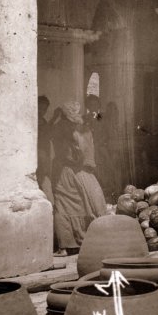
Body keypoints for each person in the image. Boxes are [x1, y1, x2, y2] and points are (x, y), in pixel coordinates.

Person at [51, 101, 106, 256]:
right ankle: (83, 240)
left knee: (62, 204)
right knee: (83, 204)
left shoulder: (62, 128)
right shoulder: (84, 129)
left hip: (66, 171)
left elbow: (75, 152)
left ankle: (65, 246)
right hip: (82, 172)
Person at [37, 95, 53, 204]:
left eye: (44, 109)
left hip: (45, 152)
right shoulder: (37, 120)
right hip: (38, 153)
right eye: (40, 108)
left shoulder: (43, 120)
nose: (42, 111)